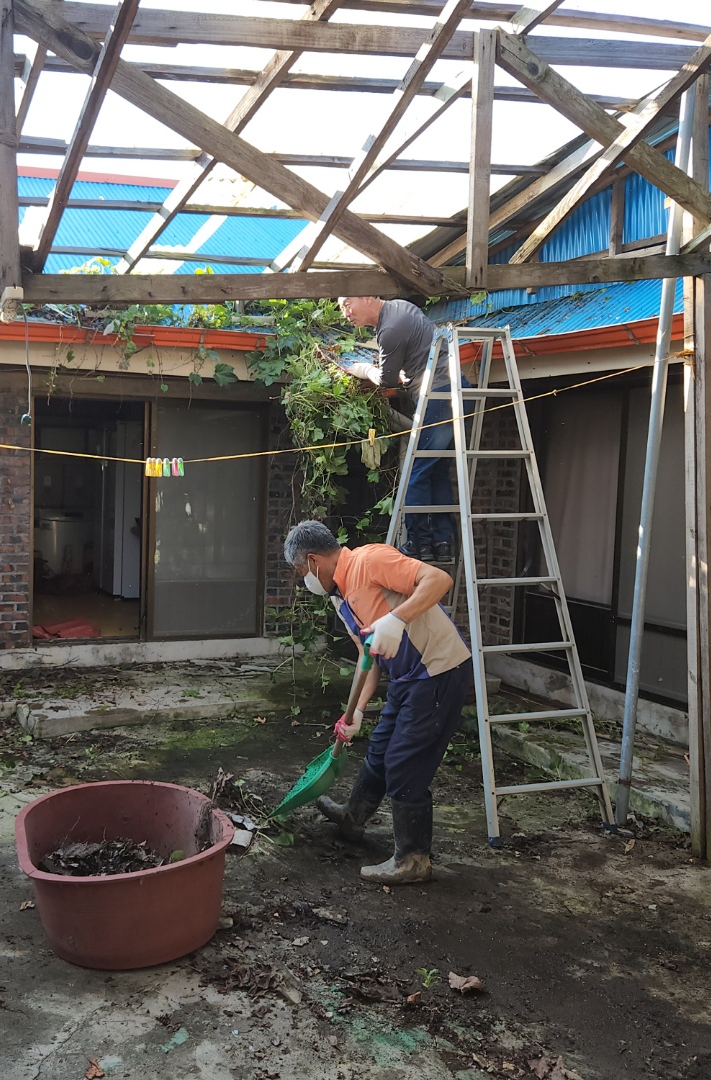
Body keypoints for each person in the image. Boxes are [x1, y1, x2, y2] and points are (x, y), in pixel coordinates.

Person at [285, 520, 473, 885]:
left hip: (439, 670)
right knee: (381, 749)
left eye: (300, 571)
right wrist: (355, 710)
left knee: (404, 761)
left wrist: (397, 619)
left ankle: (413, 860)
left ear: (312, 561)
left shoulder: (369, 560)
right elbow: (366, 657)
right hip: (405, 677)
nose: (303, 579)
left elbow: (438, 580)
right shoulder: (340, 597)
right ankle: (353, 818)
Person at [335, 296, 461, 562]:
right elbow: (417, 354)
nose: (345, 314)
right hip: (455, 392)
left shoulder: (389, 329)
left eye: (347, 304)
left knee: (417, 471)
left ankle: (418, 544)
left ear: (367, 297)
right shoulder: (402, 307)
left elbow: (386, 380)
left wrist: (363, 369)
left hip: (437, 396)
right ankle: (442, 542)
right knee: (437, 470)